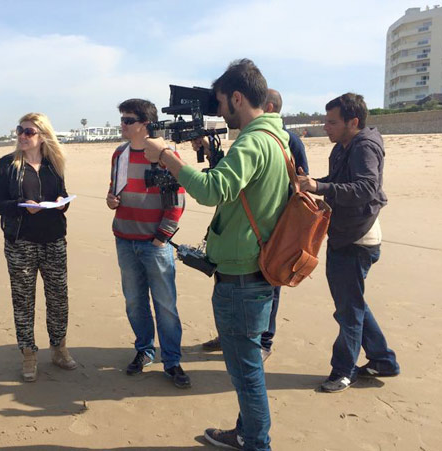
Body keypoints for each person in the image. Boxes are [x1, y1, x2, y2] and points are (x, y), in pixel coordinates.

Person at [144, 59, 289, 450]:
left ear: (237, 98)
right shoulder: (275, 137)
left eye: (221, 102)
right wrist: (212, 155)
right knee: (249, 368)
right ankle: (247, 433)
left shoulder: (254, 140)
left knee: (246, 374)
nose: (218, 110)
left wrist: (168, 159)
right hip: (255, 270)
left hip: (242, 277)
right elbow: (242, 188)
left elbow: (213, 192)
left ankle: (256, 442)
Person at [297, 93, 400, 393]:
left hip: (357, 238)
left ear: (353, 122)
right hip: (346, 233)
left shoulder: (365, 146)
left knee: (348, 308)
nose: (325, 126)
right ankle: (383, 360)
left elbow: (366, 188)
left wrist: (320, 186)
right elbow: (339, 179)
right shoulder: (343, 146)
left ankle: (344, 370)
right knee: (352, 303)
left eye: (332, 122)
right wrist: (314, 183)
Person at [201, 88, 310, 361]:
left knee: (269, 285)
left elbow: (298, 182)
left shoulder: (284, 140)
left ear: (268, 106)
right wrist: (210, 153)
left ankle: (264, 340)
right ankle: (235, 335)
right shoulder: (253, 139)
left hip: (270, 231)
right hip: (244, 231)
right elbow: (236, 180)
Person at [105, 98, 190, 389]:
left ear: (145, 124)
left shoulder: (167, 154)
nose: (123, 125)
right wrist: (111, 200)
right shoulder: (120, 154)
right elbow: (113, 190)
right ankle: (144, 350)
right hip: (125, 239)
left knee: (165, 305)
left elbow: (177, 200)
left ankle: (172, 361)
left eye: (128, 120)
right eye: (122, 120)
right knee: (134, 302)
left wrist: (161, 237)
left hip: (155, 244)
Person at [0, 112, 77, 383]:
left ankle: (59, 348)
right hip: (21, 243)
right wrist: (21, 206)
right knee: (23, 300)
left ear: (42, 136)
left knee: (58, 298)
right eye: (20, 130)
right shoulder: (7, 164)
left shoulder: (54, 164)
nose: (22, 136)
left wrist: (63, 202)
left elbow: (61, 195)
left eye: (29, 132)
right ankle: (28, 353)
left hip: (54, 239)